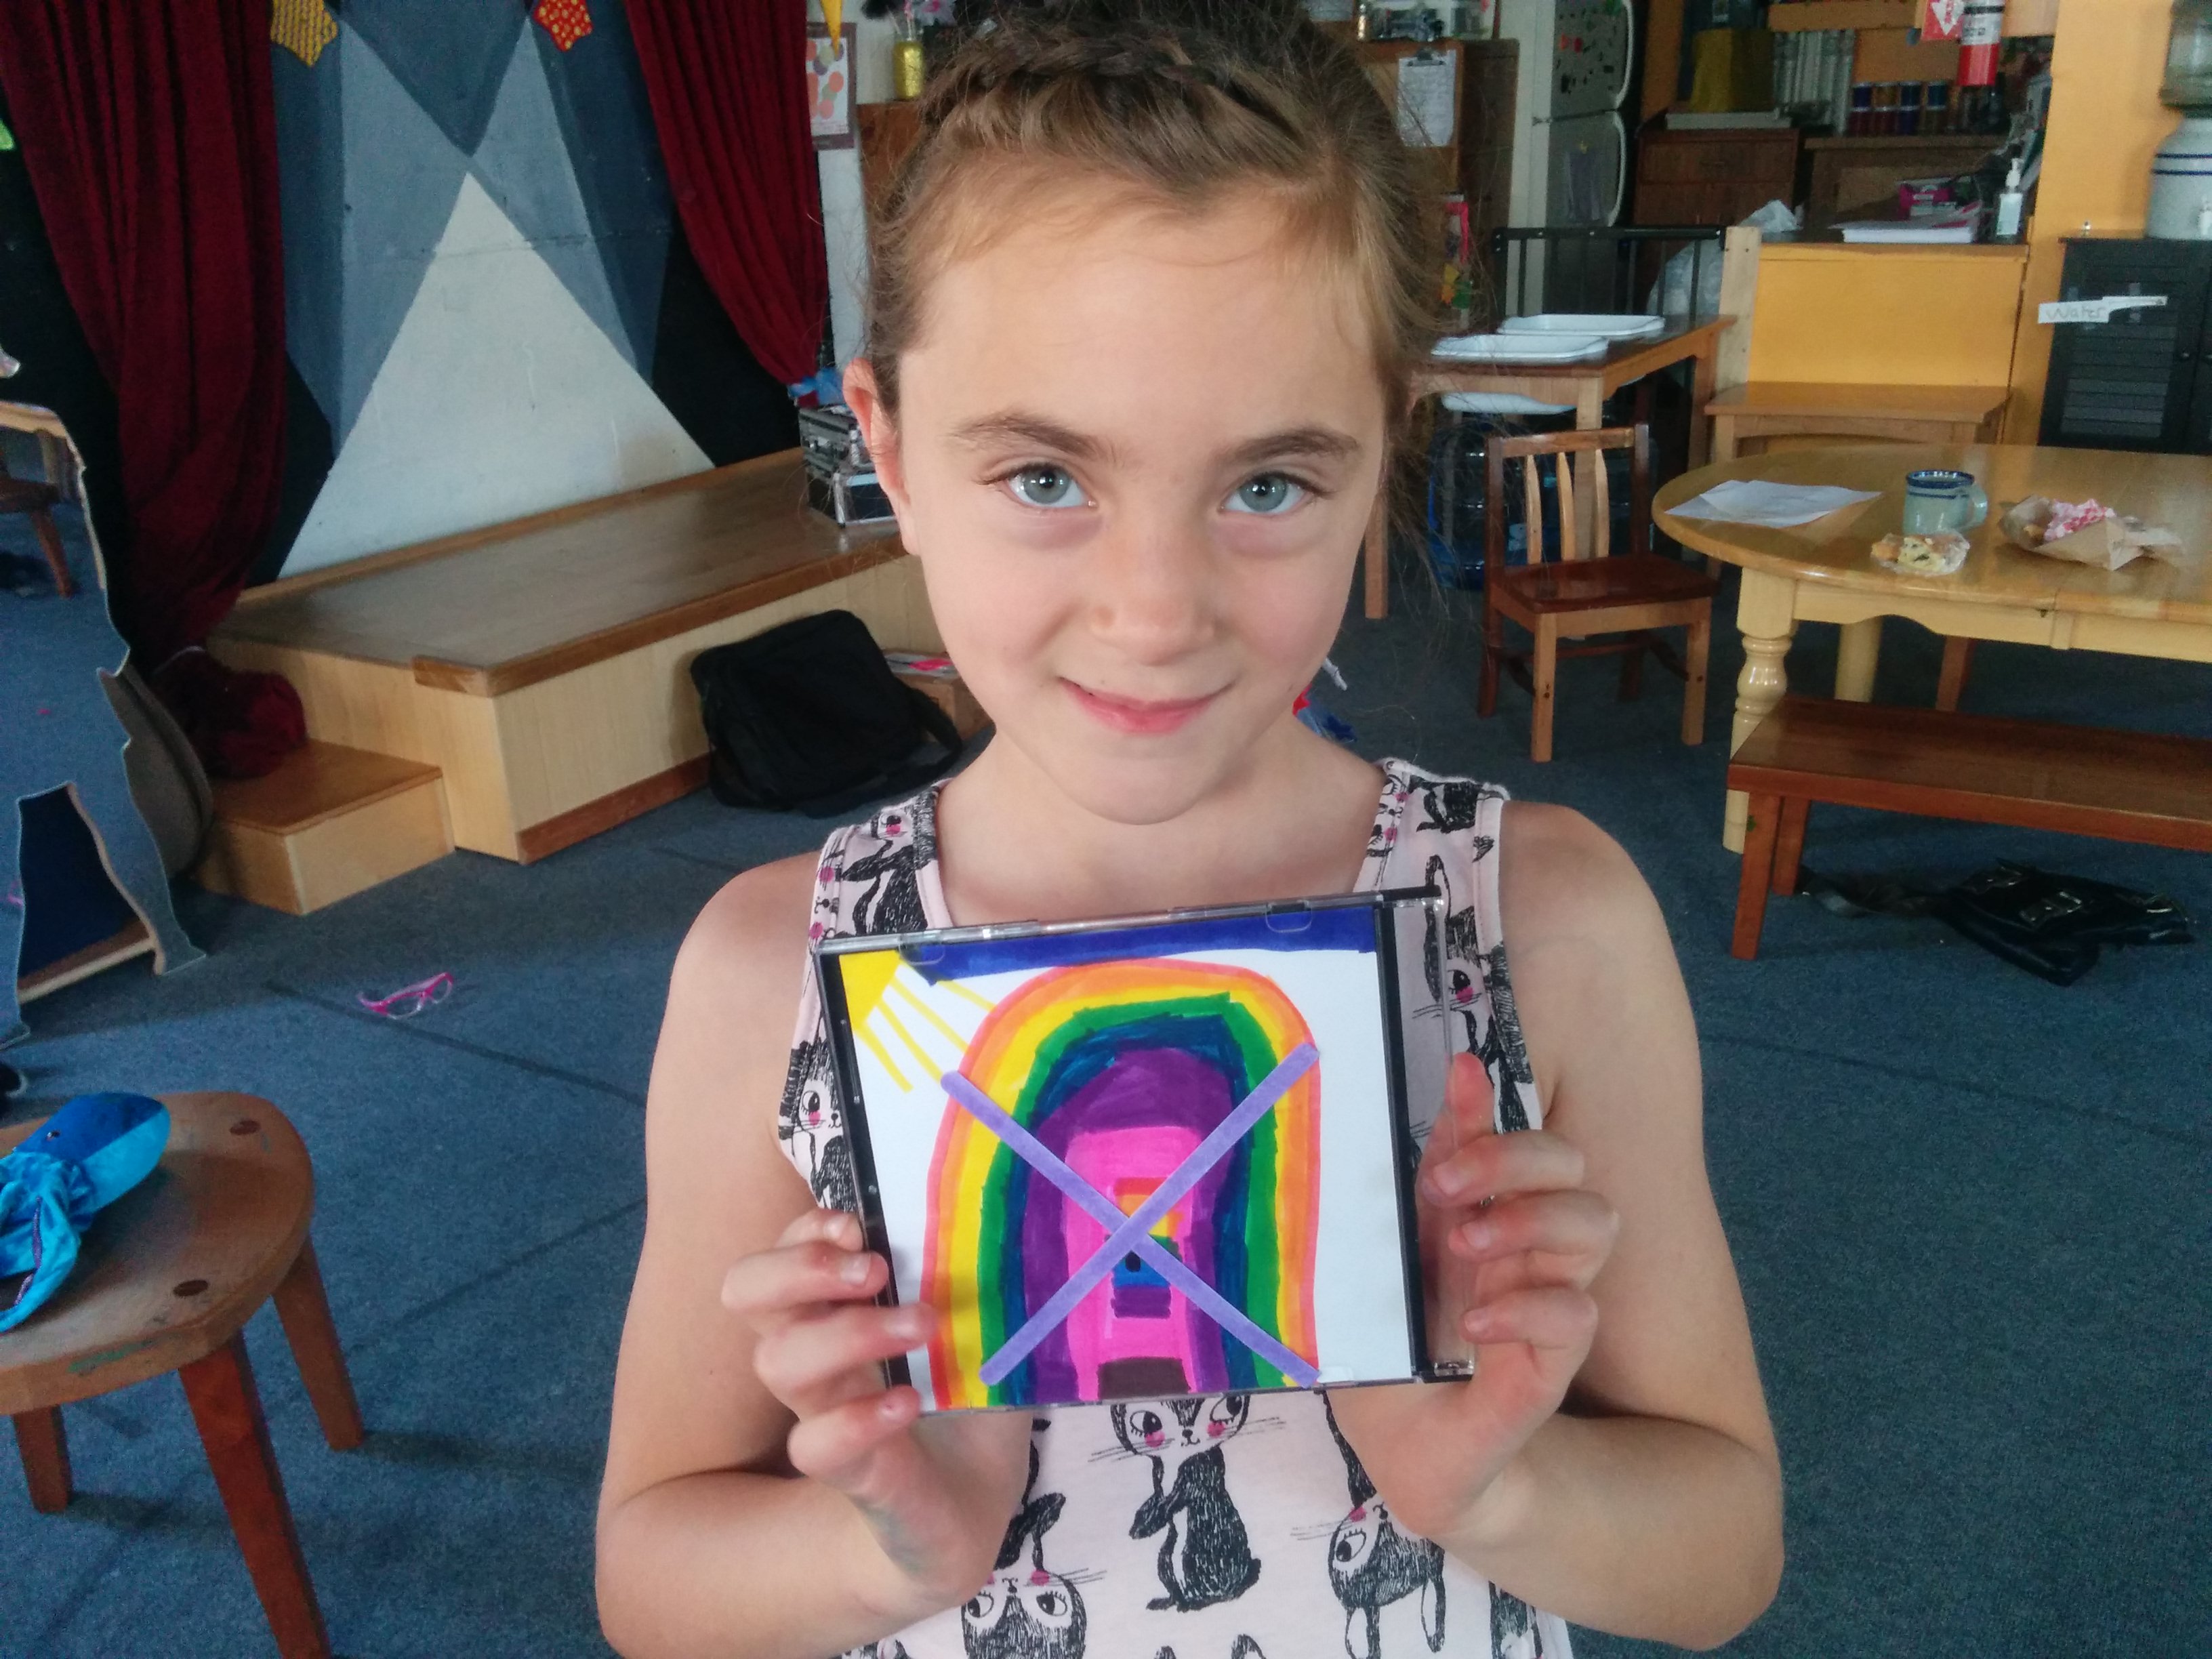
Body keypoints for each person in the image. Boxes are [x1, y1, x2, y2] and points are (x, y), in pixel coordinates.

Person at [596, 5, 1782, 1656]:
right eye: (1044, 478)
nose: (1154, 616)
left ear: (1384, 451)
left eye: (1267, 486)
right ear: (891, 451)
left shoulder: (1546, 923)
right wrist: (897, 1553)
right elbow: (649, 1580)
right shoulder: (766, 972)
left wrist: (1493, 1492)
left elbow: (1724, 1557)